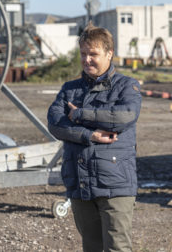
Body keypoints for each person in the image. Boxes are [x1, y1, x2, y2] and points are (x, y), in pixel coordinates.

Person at [47, 23, 142, 252]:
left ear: (109, 54)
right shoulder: (70, 89)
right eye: (83, 54)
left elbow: (124, 117)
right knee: (91, 247)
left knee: (117, 248)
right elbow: (55, 123)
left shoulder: (126, 86)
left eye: (93, 54)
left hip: (115, 184)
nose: (87, 59)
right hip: (80, 183)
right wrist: (90, 135)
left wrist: (79, 114)